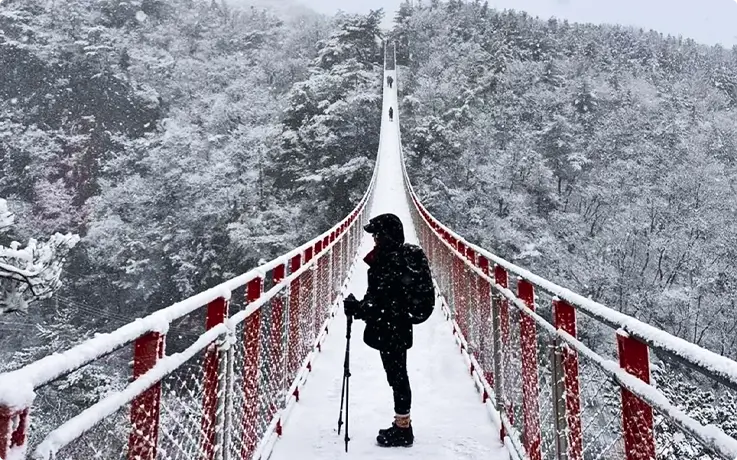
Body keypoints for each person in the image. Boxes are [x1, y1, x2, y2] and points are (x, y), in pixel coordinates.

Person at [344, 213, 434, 448]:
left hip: (390, 329)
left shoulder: (389, 263)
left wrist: (357, 308)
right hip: (397, 327)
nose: (374, 239)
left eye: (377, 234)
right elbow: (379, 300)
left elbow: (378, 303)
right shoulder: (397, 259)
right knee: (397, 375)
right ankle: (402, 424)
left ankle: (403, 429)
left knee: (397, 376)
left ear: (386, 236)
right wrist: (364, 307)